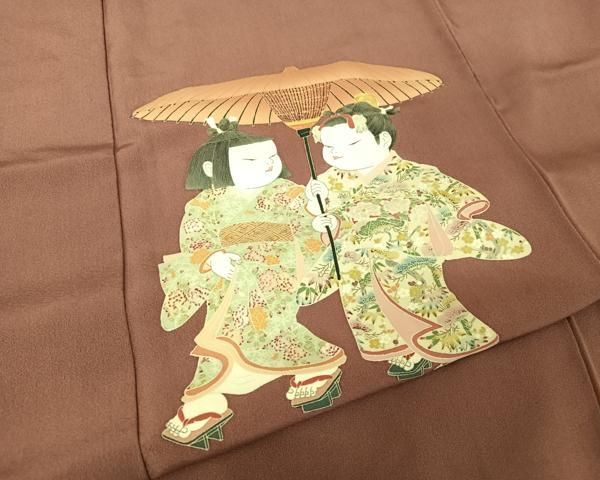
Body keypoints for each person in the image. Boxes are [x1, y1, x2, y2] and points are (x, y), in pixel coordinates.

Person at [298, 96, 531, 381]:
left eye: (352, 144)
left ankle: (451, 340)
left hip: (409, 245)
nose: (338, 154)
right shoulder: (327, 182)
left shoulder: (413, 172)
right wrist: (318, 209)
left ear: (383, 140)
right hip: (357, 257)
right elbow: (328, 220)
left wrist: (452, 217)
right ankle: (402, 348)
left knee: (421, 294)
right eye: (329, 147)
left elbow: (445, 191)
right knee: (365, 300)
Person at [159, 118, 345, 450]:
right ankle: (314, 365)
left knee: (251, 319)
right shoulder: (204, 204)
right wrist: (212, 259)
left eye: (272, 157)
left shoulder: (288, 193)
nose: (267, 165)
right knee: (227, 321)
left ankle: (204, 401)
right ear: (212, 167)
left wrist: (318, 215)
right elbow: (196, 240)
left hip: (279, 269)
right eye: (251, 160)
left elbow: (311, 230)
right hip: (229, 275)